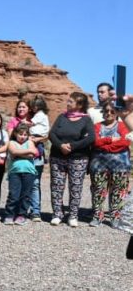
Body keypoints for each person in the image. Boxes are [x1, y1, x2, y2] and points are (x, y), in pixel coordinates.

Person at [49, 91, 95, 226]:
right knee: (56, 186)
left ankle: (73, 216)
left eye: (70, 101)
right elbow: (52, 134)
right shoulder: (61, 117)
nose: (67, 103)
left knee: (75, 187)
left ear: (79, 105)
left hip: (78, 159)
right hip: (57, 157)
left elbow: (91, 137)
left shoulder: (86, 119)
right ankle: (57, 214)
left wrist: (72, 146)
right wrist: (60, 145)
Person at [89, 102, 130, 227]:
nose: (109, 113)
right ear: (102, 112)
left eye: (112, 111)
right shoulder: (96, 126)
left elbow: (125, 141)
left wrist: (106, 147)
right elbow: (94, 142)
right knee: (98, 191)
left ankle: (115, 217)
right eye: (106, 111)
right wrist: (110, 140)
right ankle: (97, 216)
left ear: (117, 112)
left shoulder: (123, 126)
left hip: (120, 165)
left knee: (118, 191)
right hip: (99, 165)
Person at [2, 123, 37, 225]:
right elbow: (13, 151)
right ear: (16, 134)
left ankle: (22, 215)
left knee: (25, 195)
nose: (22, 137)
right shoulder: (11, 142)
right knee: (13, 194)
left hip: (29, 172)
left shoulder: (30, 142)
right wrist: (27, 152)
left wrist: (19, 154)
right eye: (20, 134)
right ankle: (9, 214)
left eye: (25, 135)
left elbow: (32, 154)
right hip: (15, 172)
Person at [28, 96, 50, 221]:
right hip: (38, 145)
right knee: (34, 182)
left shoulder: (39, 115)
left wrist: (25, 123)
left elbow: (32, 123)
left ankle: (34, 210)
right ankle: (34, 210)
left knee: (34, 182)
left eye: (34, 105)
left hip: (36, 142)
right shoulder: (44, 116)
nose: (33, 108)